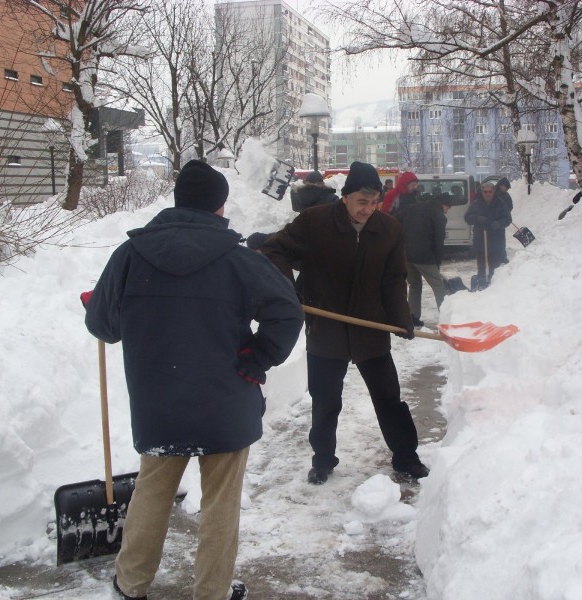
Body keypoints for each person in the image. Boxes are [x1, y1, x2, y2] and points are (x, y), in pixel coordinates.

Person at [84, 160, 304, 600]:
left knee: (152, 494)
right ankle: (212, 592)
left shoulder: (130, 255)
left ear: (178, 201)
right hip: (225, 404)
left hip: (159, 406)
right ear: (221, 207)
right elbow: (288, 311)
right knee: (220, 502)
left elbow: (104, 327)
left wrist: (107, 305)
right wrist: (256, 359)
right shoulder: (240, 259)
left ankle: (130, 585)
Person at [261, 161, 430, 485]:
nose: (368, 209)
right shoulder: (315, 222)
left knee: (389, 399)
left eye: (374, 202)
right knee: (325, 402)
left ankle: (406, 457)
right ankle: (322, 460)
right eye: (361, 202)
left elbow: (394, 279)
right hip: (327, 331)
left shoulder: (389, 229)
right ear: (345, 198)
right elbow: (274, 249)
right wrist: (287, 291)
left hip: (371, 331)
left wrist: (401, 318)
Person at [397, 193, 452, 327]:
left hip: (406, 254)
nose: (447, 211)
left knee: (414, 286)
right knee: (438, 286)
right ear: (443, 205)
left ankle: (413, 318)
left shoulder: (413, 207)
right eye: (448, 208)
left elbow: (395, 219)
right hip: (424, 256)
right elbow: (439, 243)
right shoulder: (439, 216)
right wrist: (437, 261)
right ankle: (448, 320)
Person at [464, 181, 511, 287]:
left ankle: (493, 289)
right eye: (485, 192)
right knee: (481, 269)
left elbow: (508, 219)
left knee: (494, 269)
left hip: (495, 243)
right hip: (481, 242)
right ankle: (481, 287)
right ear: (482, 191)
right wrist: (476, 218)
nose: (488, 194)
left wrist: (499, 224)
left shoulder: (500, 204)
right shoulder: (476, 203)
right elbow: (467, 217)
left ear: (494, 191)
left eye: (490, 191)